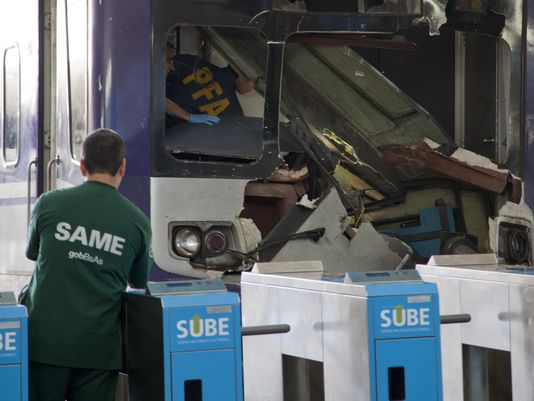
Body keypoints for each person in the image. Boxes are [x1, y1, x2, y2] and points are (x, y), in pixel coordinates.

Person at [21, 128, 153, 401]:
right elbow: (139, 282)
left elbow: (32, 253)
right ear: (123, 167)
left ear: (82, 166)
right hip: (99, 350)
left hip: (44, 344)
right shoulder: (137, 222)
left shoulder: (49, 203)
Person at [165, 42, 255, 128]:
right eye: (254, 82)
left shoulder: (189, 62)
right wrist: (189, 117)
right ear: (241, 77)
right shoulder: (233, 113)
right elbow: (154, 95)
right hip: (168, 126)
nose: (251, 87)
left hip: (166, 120)